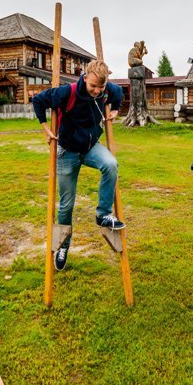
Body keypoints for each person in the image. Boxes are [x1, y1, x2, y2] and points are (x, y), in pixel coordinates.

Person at [32, 59, 124, 272]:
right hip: (67, 151)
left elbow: (118, 92)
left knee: (111, 164)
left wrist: (116, 110)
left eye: (100, 87)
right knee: (66, 205)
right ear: (85, 77)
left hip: (91, 146)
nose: (97, 91)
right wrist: (45, 128)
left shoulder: (105, 89)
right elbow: (38, 101)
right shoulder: (67, 92)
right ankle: (64, 245)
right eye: (93, 86)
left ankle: (103, 214)